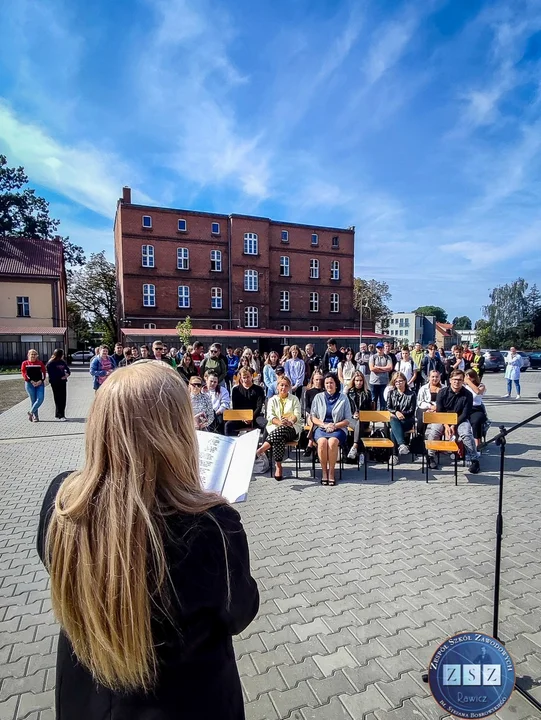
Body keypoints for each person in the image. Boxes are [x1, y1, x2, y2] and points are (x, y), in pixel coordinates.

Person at [37, 361, 259, 720]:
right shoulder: (211, 528)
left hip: (87, 700)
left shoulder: (61, 501)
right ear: (175, 433)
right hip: (184, 703)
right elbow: (240, 612)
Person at [433, 369, 480, 473]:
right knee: (434, 432)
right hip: (443, 419)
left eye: (460, 380)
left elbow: (465, 413)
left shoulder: (468, 394)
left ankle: (474, 460)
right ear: (450, 380)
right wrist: (446, 426)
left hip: (460, 420)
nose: (457, 382)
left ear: (463, 381)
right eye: (454, 379)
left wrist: (453, 425)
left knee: (466, 434)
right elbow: (440, 411)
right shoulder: (442, 392)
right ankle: (431, 457)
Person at [255, 376, 302, 481]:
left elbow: (297, 414)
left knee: (282, 431)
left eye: (286, 385)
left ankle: (261, 450)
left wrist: (290, 422)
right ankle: (278, 466)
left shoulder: (294, 399)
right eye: (281, 385)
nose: (283, 387)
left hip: (291, 428)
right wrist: (280, 423)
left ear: (289, 387)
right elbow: (270, 416)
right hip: (275, 428)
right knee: (279, 437)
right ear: (277, 386)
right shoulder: (272, 400)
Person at [310, 373, 351, 486]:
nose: (329, 385)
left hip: (338, 428)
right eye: (327, 383)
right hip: (321, 427)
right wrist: (324, 425)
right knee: (322, 442)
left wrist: (334, 426)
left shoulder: (343, 398)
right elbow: (313, 417)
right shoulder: (318, 397)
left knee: (332, 442)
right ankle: (324, 472)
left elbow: (348, 419)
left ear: (336, 384)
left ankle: (332, 472)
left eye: (331, 383)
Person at [226, 368, 266, 436]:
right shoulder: (236, 390)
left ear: (252, 376)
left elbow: (259, 407)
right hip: (240, 417)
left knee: (266, 424)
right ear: (241, 378)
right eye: (244, 377)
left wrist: (251, 417)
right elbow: (235, 407)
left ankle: (263, 445)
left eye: (248, 377)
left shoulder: (259, 389)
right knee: (228, 425)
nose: (246, 379)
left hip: (255, 416)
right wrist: (243, 417)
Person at [387, 373, 417, 456]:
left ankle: (394, 455)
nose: (398, 383)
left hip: (407, 420)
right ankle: (402, 445)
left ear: (405, 381)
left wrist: (402, 414)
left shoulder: (411, 394)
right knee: (393, 421)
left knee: (393, 430)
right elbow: (388, 407)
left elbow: (412, 410)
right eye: (396, 381)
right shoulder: (391, 393)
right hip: (394, 419)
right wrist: (396, 412)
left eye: (400, 381)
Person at [346, 371, 373, 463]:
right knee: (358, 423)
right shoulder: (349, 393)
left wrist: (362, 414)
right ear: (353, 381)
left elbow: (370, 410)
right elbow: (346, 409)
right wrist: (353, 414)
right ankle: (361, 452)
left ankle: (355, 447)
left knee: (360, 422)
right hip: (351, 419)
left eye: (361, 380)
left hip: (364, 419)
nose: (359, 382)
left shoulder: (368, 393)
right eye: (357, 380)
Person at [416, 369, 443, 449]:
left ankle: (438, 442)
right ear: (429, 377)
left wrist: (436, 408)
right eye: (433, 377)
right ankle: (420, 438)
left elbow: (446, 402)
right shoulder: (423, 388)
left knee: (442, 418)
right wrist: (430, 407)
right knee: (422, 417)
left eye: (437, 377)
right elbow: (420, 402)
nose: (435, 379)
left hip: (439, 408)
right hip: (424, 407)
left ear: (440, 378)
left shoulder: (444, 388)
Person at [303, 369, 324, 458]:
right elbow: (306, 406)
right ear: (313, 380)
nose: (318, 382)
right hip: (311, 415)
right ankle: (311, 444)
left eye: (320, 380)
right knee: (314, 421)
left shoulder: (325, 392)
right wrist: (313, 413)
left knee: (317, 422)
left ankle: (310, 444)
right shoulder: (308, 392)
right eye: (316, 380)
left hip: (322, 416)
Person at [21, 349, 47, 422]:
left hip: (40, 383)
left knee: (40, 399)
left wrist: (41, 381)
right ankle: (35, 416)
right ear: (28, 355)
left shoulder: (40, 363)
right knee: (33, 400)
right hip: (29, 384)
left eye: (34, 354)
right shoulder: (25, 363)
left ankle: (30, 412)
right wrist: (31, 381)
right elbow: (24, 373)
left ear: (37, 356)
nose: (33, 356)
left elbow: (43, 372)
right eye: (31, 354)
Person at [464, 369, 487, 448]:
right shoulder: (464, 386)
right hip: (465, 408)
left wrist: (469, 382)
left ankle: (477, 443)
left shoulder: (481, 386)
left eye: (469, 377)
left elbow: (477, 392)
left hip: (476, 408)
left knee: (476, 421)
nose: (467, 379)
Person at [46, 349, 71, 421]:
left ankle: (59, 414)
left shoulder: (62, 362)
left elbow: (67, 369)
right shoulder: (51, 363)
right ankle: (60, 415)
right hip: (55, 383)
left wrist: (67, 374)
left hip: (63, 382)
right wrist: (61, 376)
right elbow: (52, 374)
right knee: (58, 399)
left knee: (63, 398)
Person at [369, 342, 393, 410]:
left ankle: (382, 417)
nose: (379, 349)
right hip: (374, 382)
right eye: (378, 348)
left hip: (384, 382)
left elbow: (390, 368)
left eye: (381, 347)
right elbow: (372, 368)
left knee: (383, 400)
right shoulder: (373, 357)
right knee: (374, 400)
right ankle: (373, 416)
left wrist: (378, 368)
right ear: (376, 349)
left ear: (383, 348)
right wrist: (384, 369)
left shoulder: (388, 357)